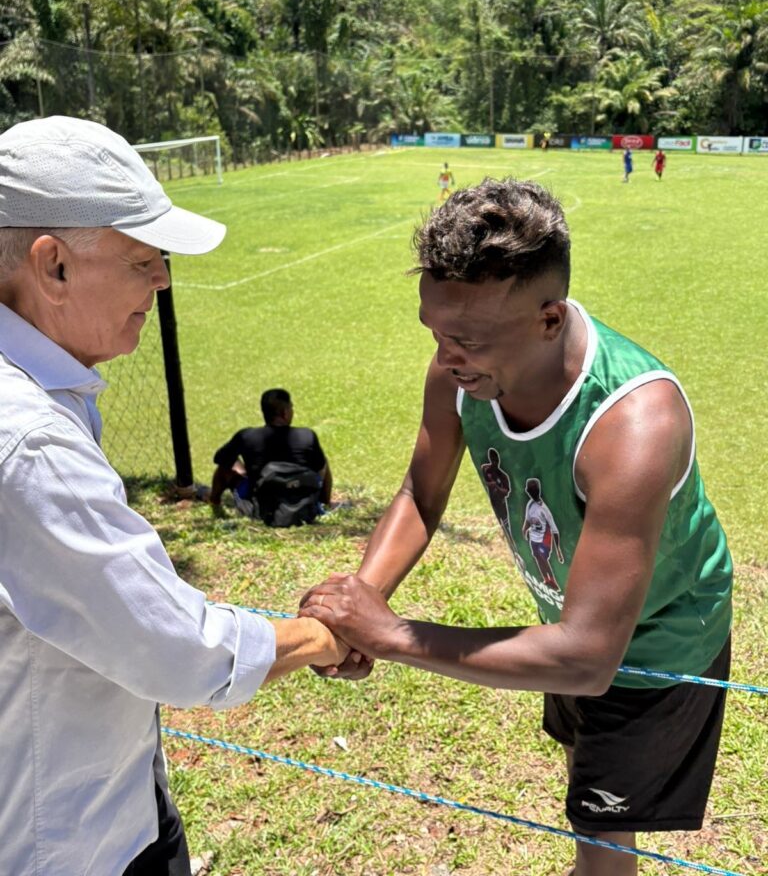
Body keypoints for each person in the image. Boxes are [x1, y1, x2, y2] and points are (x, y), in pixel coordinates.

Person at [299, 178, 733, 876]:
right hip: (567, 625)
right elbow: (421, 493)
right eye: (435, 332)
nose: (445, 357)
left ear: (549, 320)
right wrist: (359, 602)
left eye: (466, 339)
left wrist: (391, 635)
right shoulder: (462, 371)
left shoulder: (634, 425)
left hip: (657, 644)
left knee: (601, 835)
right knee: (585, 786)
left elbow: (588, 658)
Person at [0, 116, 347, 876]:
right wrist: (319, 638)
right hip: (68, 843)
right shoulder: (29, 440)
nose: (161, 279)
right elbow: (177, 648)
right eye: (143, 258)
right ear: (53, 266)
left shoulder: (43, 395)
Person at [210, 388, 332, 520]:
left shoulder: (246, 436)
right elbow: (319, 468)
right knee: (323, 461)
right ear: (285, 413)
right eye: (291, 408)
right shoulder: (307, 435)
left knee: (224, 468)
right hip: (301, 501)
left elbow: (220, 457)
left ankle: (214, 501)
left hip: (262, 507)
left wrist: (242, 469)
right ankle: (323, 502)